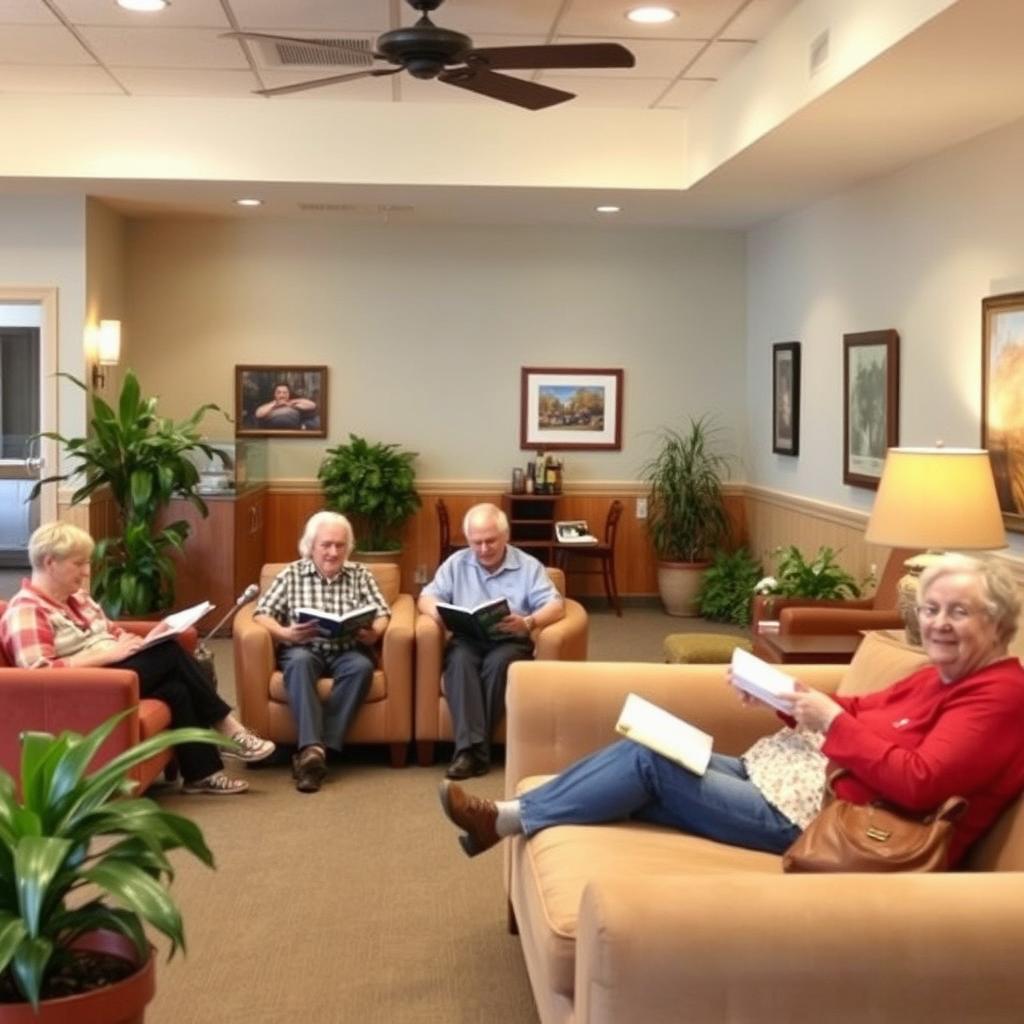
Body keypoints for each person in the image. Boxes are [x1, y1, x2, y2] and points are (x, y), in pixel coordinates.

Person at [440, 554, 1024, 868]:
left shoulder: (998, 696)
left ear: (998, 623)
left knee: (648, 764)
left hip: (825, 821)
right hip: (795, 778)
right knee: (652, 738)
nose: (938, 625)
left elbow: (918, 783)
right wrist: (787, 697)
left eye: (959, 613)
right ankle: (510, 814)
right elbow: (855, 707)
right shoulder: (939, 675)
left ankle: (506, 818)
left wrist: (833, 722)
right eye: (931, 610)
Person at [0, 522, 274, 795]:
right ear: (50, 563)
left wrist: (147, 640)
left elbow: (113, 632)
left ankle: (201, 775)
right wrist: (105, 655)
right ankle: (229, 728)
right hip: (86, 689)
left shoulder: (79, 599)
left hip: (117, 672)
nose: (86, 572)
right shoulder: (26, 610)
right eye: (78, 564)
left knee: (175, 688)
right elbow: (38, 674)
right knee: (170, 655)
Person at [418, 502, 565, 780]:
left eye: (490, 541)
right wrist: (438, 613)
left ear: (505, 536)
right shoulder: (457, 563)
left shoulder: (527, 565)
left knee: (498, 666)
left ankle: (470, 753)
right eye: (477, 543)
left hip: (510, 640)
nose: (483, 549)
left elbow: (556, 605)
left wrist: (529, 622)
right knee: (459, 662)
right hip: (467, 639)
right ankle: (473, 751)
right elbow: (426, 596)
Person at [252, 511, 390, 793]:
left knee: (361, 668)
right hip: (304, 647)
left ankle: (313, 753)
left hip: (347, 648)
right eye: (325, 545)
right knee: (300, 663)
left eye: (340, 545)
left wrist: (374, 632)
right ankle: (315, 749)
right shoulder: (292, 574)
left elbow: (383, 612)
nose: (332, 552)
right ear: (311, 546)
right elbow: (261, 613)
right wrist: (285, 633)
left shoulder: (360, 574)